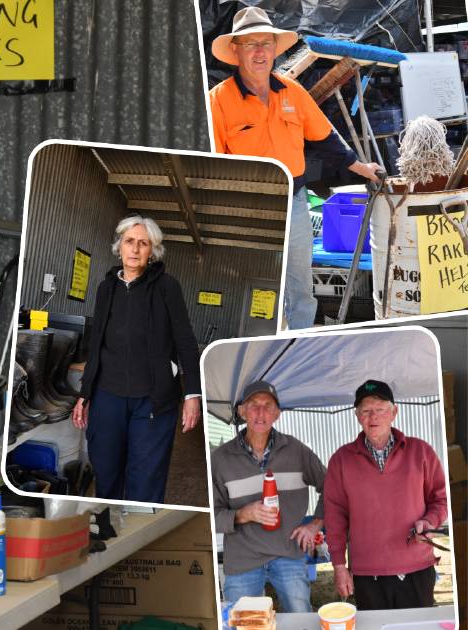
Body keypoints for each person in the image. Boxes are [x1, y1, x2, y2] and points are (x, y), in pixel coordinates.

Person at [208, 7, 381, 330]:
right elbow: (213, 163)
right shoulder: (218, 101)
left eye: (266, 43)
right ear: (236, 51)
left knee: (300, 280)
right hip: (248, 207)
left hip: (295, 200)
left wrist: (362, 167)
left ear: (275, 49)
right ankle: (253, 335)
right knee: (253, 278)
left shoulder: (292, 92)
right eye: (250, 44)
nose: (260, 52)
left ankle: (298, 338)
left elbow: (326, 136)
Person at [70, 215, 202, 504]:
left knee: (146, 478)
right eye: (129, 241)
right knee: (106, 471)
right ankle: (109, 531)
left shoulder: (167, 287)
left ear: (152, 251)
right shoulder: (107, 288)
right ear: (119, 246)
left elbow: (185, 341)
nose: (135, 248)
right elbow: (97, 345)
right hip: (108, 396)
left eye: (143, 243)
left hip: (152, 399)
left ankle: (140, 536)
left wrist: (192, 392)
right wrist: (85, 394)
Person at [324, 380, 448, 610]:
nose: (373, 417)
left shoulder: (420, 452)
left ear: (394, 412)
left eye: (380, 409)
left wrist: (429, 521)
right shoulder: (341, 460)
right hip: (367, 574)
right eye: (366, 411)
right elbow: (334, 516)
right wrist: (339, 566)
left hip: (416, 568)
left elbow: (441, 499)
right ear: (357, 416)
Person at [210, 380, 327, 613]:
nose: (261, 413)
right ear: (242, 411)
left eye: (268, 406)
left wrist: (315, 524)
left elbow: (333, 488)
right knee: (244, 624)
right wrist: (243, 514)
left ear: (277, 414)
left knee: (300, 621)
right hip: (243, 559)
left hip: (288, 553)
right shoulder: (220, 459)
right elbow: (210, 515)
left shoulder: (296, 450)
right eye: (254, 405)